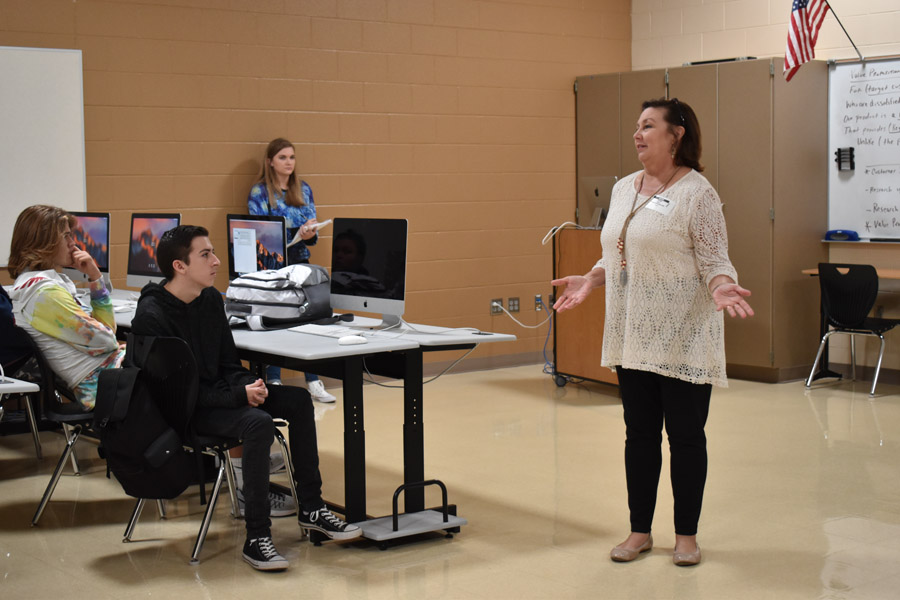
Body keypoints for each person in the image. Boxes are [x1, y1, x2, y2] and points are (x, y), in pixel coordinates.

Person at [552, 98, 754, 567]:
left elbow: (715, 260)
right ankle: (639, 530)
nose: (638, 135)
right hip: (632, 335)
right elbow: (619, 251)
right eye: (637, 127)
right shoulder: (625, 188)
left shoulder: (698, 194)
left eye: (648, 126)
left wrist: (722, 288)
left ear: (676, 134)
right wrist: (592, 278)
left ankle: (686, 536)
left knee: (685, 438)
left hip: (683, 335)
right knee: (638, 435)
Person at [130, 225, 360, 572]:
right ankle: (256, 537)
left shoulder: (208, 299)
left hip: (217, 396)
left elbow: (226, 362)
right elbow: (176, 394)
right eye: (205, 255)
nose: (216, 261)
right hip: (184, 412)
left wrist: (250, 385)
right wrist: (239, 395)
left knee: (297, 402)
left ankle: (312, 509)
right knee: (257, 423)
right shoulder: (152, 316)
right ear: (180, 266)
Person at [7, 205, 125, 410]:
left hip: (107, 374)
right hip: (103, 385)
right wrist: (96, 281)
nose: (73, 244)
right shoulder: (45, 294)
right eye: (66, 237)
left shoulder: (41, 286)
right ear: (44, 243)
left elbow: (107, 332)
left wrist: (95, 278)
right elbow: (107, 340)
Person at [247, 138, 335, 403]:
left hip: (300, 263)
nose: (288, 162)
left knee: (309, 319)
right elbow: (260, 229)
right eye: (283, 157)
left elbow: (312, 231)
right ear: (270, 161)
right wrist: (289, 232)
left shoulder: (303, 188)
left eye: (292, 157)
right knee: (277, 321)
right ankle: (274, 379)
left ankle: (313, 380)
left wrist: (308, 232)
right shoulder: (259, 192)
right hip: (272, 265)